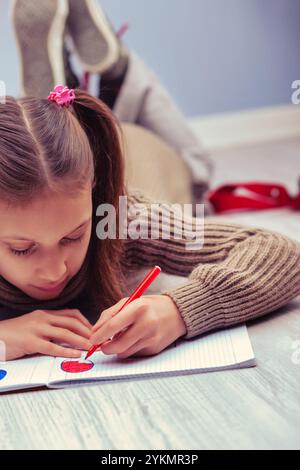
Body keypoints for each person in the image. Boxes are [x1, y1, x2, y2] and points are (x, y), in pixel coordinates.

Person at [0, 85, 300, 362]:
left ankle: (124, 74)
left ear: (94, 193)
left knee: (196, 172)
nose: (56, 271)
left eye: (74, 236)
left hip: (151, 154)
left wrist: (180, 309)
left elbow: (283, 254)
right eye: (22, 249)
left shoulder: (121, 219)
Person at [11, 0, 213, 207]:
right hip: (132, 176)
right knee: (196, 167)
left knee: (66, 161)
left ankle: (54, 105)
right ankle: (117, 70)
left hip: (94, 171)